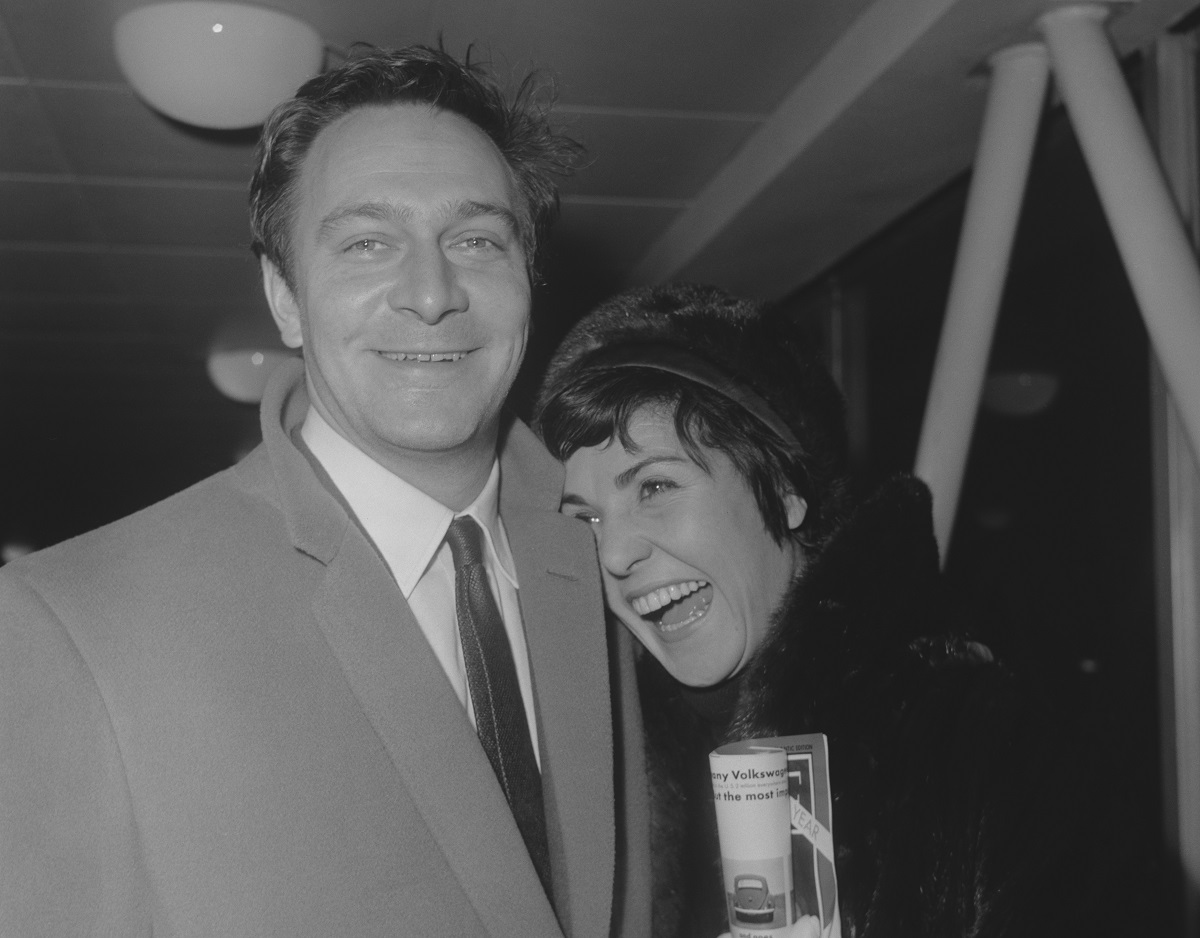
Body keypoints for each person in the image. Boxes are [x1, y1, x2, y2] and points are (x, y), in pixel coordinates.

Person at [0, 46, 650, 938]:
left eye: (475, 240)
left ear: (527, 279)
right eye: (368, 243)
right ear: (285, 298)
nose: (431, 293)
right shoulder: (67, 628)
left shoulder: (611, 560)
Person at [534, 282, 1169, 938]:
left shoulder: (993, 752)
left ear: (783, 490)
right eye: (586, 520)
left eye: (655, 487)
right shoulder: (605, 776)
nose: (613, 554)